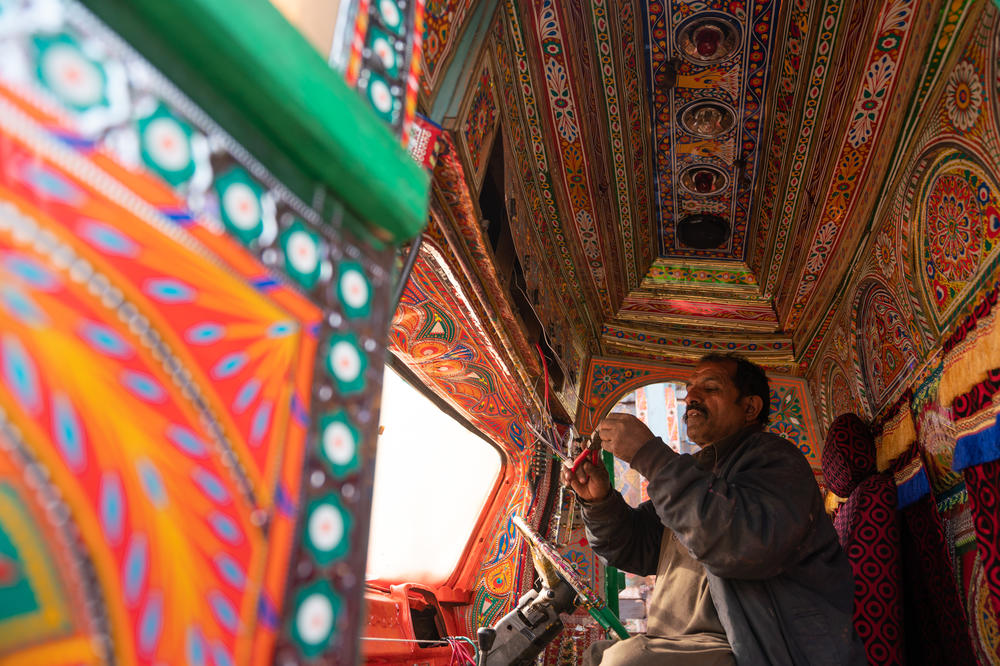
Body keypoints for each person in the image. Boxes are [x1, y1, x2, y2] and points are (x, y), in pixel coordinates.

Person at [562, 353, 864, 666]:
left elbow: (743, 543)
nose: (691, 397)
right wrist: (599, 501)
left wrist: (650, 456)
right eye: (690, 389)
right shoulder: (699, 474)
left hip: (757, 649)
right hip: (682, 645)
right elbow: (636, 548)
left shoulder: (776, 460)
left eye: (710, 388)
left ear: (749, 408)